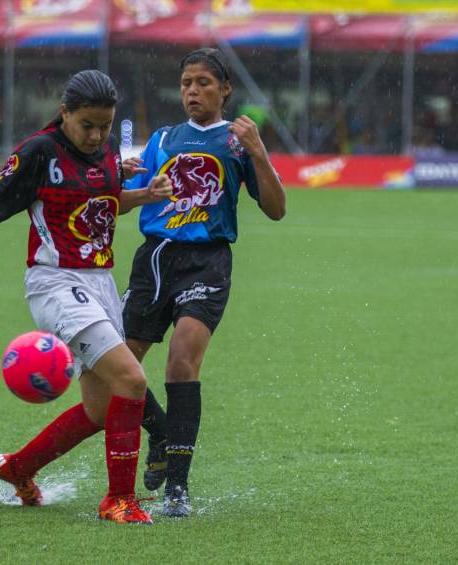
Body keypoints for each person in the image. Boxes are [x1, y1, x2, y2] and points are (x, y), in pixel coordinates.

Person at [0, 70, 172, 524]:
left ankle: (17, 468)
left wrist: (143, 194)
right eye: (87, 125)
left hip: (99, 282)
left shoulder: (107, 150)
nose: (96, 136)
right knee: (131, 381)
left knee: (97, 410)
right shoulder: (39, 152)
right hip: (55, 283)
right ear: (65, 112)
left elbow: (107, 199)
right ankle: (118, 500)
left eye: (105, 126)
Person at [120, 48, 286, 517]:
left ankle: (177, 488)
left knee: (181, 361)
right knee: (118, 366)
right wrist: (124, 185)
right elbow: (128, 199)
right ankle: (160, 431)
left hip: (207, 262)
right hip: (153, 259)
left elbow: (276, 209)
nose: (193, 91)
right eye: (186, 83)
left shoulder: (237, 143)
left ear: (225, 89)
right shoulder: (163, 139)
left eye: (203, 83)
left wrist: (258, 150)